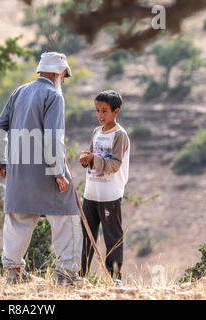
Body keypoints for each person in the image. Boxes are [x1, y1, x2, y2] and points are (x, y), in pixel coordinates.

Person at [0, 52, 83, 285]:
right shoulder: (53, 95)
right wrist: (59, 173)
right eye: (64, 74)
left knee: (18, 217)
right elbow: (53, 138)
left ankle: (13, 273)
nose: (64, 79)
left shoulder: (20, 91)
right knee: (67, 216)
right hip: (45, 170)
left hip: (18, 170)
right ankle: (65, 275)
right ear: (57, 72)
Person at [78, 90, 130, 285]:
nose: (100, 115)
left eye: (104, 111)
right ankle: (80, 275)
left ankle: (115, 279)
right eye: (97, 110)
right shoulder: (96, 132)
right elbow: (93, 159)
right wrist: (86, 160)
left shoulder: (119, 135)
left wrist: (93, 159)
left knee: (112, 238)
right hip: (91, 193)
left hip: (110, 195)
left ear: (116, 111)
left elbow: (115, 165)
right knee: (86, 237)